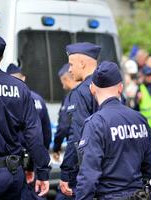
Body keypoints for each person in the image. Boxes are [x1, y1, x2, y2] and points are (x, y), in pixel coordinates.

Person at [0, 32, 50, 199]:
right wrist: (42, 172)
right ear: (0, 57)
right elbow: (34, 136)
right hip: (15, 175)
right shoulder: (21, 88)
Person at [76, 61, 151, 199]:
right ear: (120, 88)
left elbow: (88, 174)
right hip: (138, 194)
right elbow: (147, 166)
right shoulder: (140, 118)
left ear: (92, 89)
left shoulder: (96, 123)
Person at [59, 42, 100, 198]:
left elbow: (77, 136)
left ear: (82, 63)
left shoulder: (81, 91)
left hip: (89, 167)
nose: (69, 69)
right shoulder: (112, 87)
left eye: (71, 64)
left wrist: (66, 172)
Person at [6, 63, 52, 149]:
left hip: (13, 154)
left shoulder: (4, 100)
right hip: (35, 152)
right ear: (23, 78)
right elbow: (46, 131)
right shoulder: (38, 99)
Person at [53, 64, 80, 162]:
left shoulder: (69, 97)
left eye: (62, 82)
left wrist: (56, 147)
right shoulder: (87, 92)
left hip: (75, 148)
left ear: (66, 79)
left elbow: (63, 126)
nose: (63, 86)